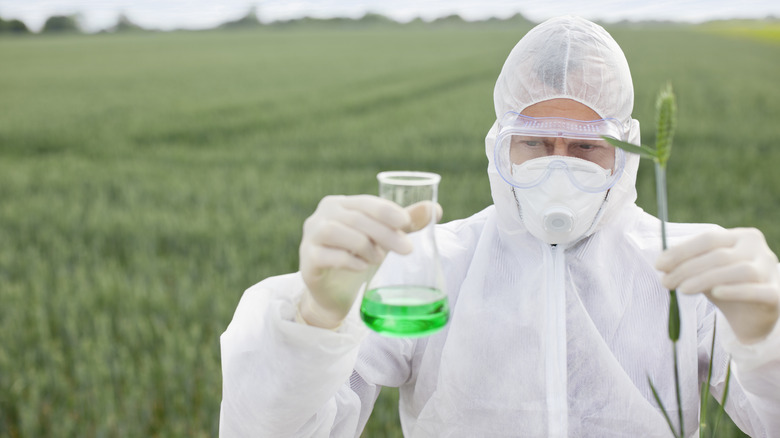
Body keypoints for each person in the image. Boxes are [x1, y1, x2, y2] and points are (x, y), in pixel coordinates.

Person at [219, 16, 780, 437]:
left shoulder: (687, 270)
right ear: (500, 145)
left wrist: (766, 338)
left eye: (585, 145)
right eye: (535, 142)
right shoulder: (434, 267)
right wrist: (316, 319)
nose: (558, 163)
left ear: (625, 151)